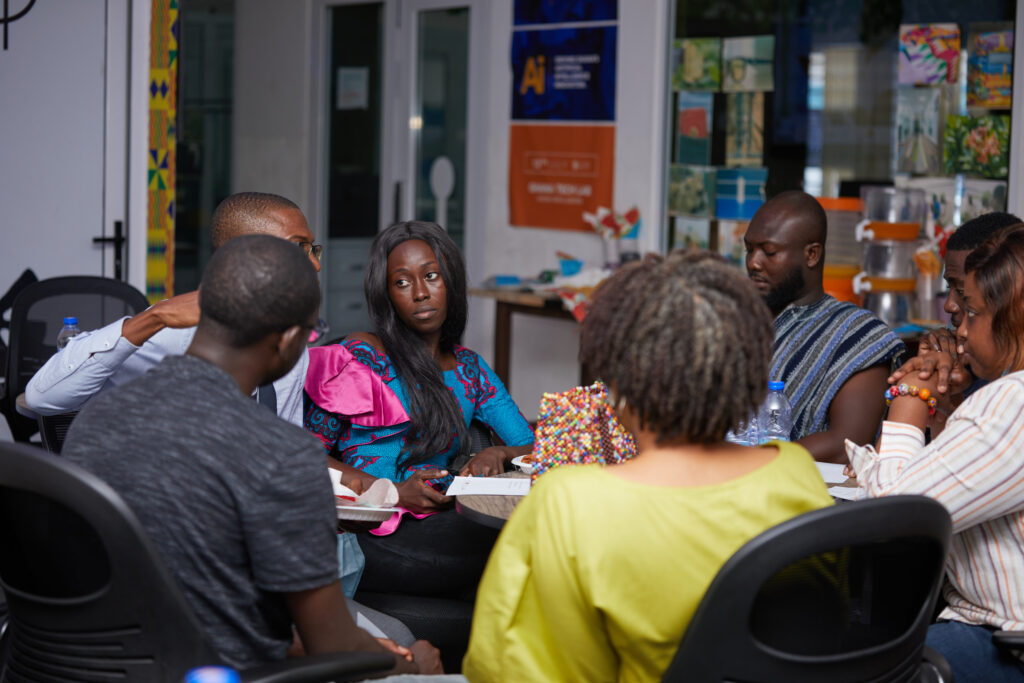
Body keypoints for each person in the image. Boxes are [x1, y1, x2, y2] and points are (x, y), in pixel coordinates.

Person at [60, 235, 448, 677]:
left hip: (101, 663)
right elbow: (333, 646)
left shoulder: (95, 418)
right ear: (286, 339)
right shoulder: (282, 454)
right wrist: (412, 665)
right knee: (409, 653)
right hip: (214, 668)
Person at [462, 251, 833, 682]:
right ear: (746, 372)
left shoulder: (567, 502)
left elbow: (505, 669)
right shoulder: (794, 474)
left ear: (619, 384)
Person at [303, 220, 534, 669]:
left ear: (450, 280)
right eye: (402, 282)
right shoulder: (359, 358)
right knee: (515, 547)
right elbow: (303, 450)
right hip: (370, 530)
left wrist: (499, 453)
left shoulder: (469, 368)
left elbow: (533, 444)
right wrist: (387, 490)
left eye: (431, 276)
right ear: (387, 295)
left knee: (519, 537)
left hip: (439, 522)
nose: (421, 292)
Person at [847, 223, 1024, 682]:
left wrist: (912, 395)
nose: (959, 330)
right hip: (986, 631)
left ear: (1015, 319)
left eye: (973, 314)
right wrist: (946, 409)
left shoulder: (1013, 402)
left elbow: (889, 518)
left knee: (844, 656)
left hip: (1000, 642)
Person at [25, 192, 321, 425]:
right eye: (298, 248)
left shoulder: (290, 339)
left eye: (313, 249)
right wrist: (153, 318)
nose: (315, 265)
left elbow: (281, 440)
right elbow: (41, 397)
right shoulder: (174, 330)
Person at [743, 190, 904, 463]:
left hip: (806, 498)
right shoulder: (735, 322)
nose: (753, 262)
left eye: (769, 252)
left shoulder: (858, 336)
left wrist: (742, 461)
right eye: (748, 249)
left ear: (812, 255)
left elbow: (846, 445)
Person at [897, 211, 1022, 412]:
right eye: (949, 287)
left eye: (963, 293)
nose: (949, 305)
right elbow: (954, 440)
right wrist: (941, 383)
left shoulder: (1013, 391)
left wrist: (914, 393)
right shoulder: (966, 365)